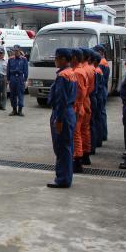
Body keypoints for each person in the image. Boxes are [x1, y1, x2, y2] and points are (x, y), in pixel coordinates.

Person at [47, 48, 77, 189]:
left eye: (57, 58)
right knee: (67, 147)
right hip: (69, 113)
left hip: (63, 114)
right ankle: (66, 176)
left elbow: (61, 100)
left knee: (61, 147)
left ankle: (62, 178)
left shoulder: (63, 76)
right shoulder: (71, 73)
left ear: (64, 59)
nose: (55, 60)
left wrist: (58, 120)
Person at [70, 49, 87, 173]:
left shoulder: (77, 72)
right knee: (78, 133)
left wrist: (76, 107)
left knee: (75, 134)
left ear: (75, 58)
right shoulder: (81, 70)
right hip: (80, 106)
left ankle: (77, 160)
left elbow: (80, 92)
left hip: (77, 107)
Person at [80, 48, 94, 166]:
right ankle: (86, 153)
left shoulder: (82, 70)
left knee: (79, 131)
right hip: (87, 100)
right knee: (85, 130)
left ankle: (81, 155)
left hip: (82, 101)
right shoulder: (90, 68)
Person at [93, 44, 109, 142]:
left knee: (98, 116)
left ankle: (99, 137)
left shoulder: (101, 64)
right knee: (101, 114)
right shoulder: (104, 62)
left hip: (100, 91)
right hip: (102, 90)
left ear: (101, 52)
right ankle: (102, 135)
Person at [7, 44, 29, 116]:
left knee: (20, 95)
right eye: (14, 51)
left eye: (17, 50)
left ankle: (20, 110)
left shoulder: (24, 59)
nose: (15, 52)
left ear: (19, 51)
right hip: (12, 78)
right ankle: (14, 110)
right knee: (12, 95)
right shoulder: (10, 60)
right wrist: (8, 79)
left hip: (20, 78)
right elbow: (8, 70)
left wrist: (25, 79)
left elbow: (26, 70)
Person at [90, 51, 104, 153]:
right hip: (98, 96)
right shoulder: (97, 70)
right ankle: (96, 142)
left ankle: (94, 144)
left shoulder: (96, 71)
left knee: (93, 122)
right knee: (96, 120)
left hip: (96, 97)